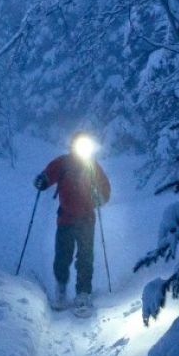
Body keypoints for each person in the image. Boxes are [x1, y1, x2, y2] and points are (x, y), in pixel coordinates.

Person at [33, 133, 111, 313]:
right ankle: (61, 289)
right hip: (66, 219)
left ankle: (83, 293)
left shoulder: (93, 166)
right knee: (62, 256)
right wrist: (42, 181)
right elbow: (47, 176)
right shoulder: (62, 163)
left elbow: (105, 188)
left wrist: (100, 197)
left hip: (86, 219)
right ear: (72, 146)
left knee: (85, 257)